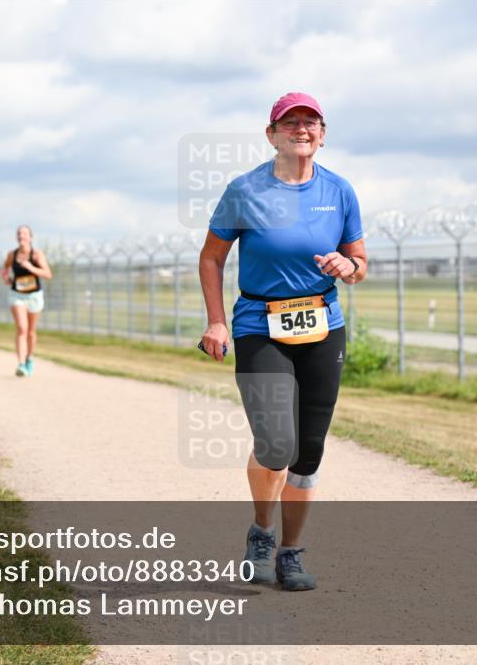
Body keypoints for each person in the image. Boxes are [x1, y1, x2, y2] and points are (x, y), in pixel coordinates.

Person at [198, 92, 367, 591]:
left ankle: (292, 554)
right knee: (276, 442)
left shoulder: (339, 191)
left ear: (322, 132)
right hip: (259, 324)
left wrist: (348, 267)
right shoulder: (244, 190)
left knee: (308, 450)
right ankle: (262, 533)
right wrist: (216, 321)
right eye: (289, 122)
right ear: (271, 134)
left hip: (322, 326)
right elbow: (211, 258)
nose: (301, 129)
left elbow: (360, 265)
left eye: (310, 122)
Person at [1, 225, 53, 376]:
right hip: (17, 295)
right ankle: (21, 364)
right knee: (22, 328)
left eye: (24, 233)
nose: (21, 236)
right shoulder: (12, 255)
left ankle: (30, 358)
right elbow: (4, 269)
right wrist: (6, 278)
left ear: (30, 237)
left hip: (34, 296)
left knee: (30, 331)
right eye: (19, 233)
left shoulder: (36, 255)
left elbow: (48, 274)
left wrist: (31, 268)